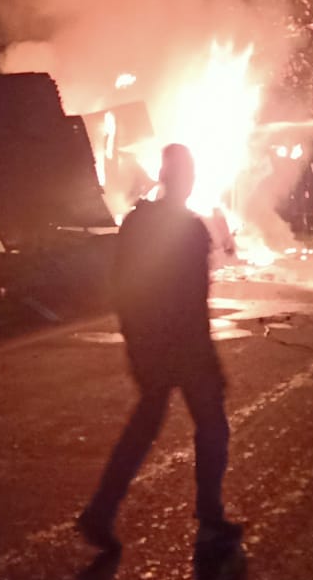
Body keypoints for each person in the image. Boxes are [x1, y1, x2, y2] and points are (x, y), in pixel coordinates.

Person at [77, 145, 243, 551]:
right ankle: (208, 512)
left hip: (152, 342)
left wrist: (135, 339)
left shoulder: (138, 222)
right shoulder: (189, 228)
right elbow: (194, 298)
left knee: (144, 428)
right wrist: (205, 356)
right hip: (185, 346)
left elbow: (120, 284)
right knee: (212, 425)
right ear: (184, 179)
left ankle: (100, 512)